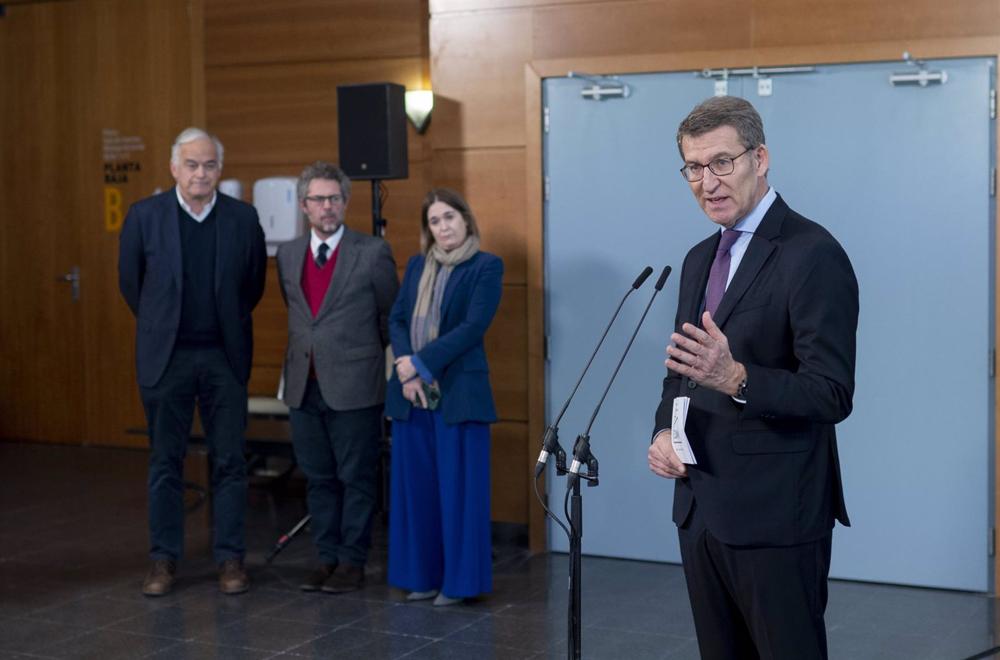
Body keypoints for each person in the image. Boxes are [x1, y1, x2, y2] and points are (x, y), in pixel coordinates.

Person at [647, 96, 859, 659]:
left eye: (722, 162)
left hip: (776, 516)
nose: (706, 182)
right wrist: (663, 433)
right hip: (700, 510)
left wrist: (740, 378)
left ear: (759, 158)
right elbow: (682, 373)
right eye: (694, 167)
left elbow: (831, 392)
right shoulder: (698, 259)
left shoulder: (812, 253)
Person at [118, 127, 267, 597]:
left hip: (224, 358)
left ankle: (230, 560)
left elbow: (253, 287)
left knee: (230, 463)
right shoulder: (144, 217)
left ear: (220, 171)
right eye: (191, 164)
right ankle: (163, 561)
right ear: (173, 168)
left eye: (208, 165)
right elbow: (131, 285)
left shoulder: (244, 219)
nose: (199, 173)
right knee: (166, 463)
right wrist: (164, 324)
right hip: (168, 360)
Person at [276, 161, 398, 594]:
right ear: (304, 206)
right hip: (302, 386)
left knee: (356, 478)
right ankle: (325, 558)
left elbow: (390, 316)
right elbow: (300, 316)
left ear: (345, 203)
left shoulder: (372, 252)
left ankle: (352, 562)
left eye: (334, 198)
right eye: (317, 199)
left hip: (355, 386)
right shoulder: (288, 255)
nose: (326, 207)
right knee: (318, 477)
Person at [385, 188, 503, 606]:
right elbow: (397, 318)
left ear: (466, 220)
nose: (443, 227)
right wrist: (405, 368)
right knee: (416, 492)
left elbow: (473, 327)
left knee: (460, 493)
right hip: (411, 394)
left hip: (458, 395)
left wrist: (419, 364)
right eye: (434, 221)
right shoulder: (417, 265)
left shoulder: (486, 266)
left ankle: (459, 584)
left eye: (449, 217)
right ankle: (421, 577)